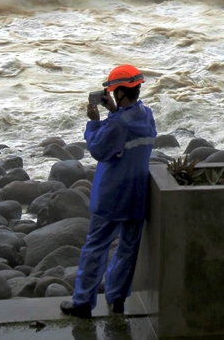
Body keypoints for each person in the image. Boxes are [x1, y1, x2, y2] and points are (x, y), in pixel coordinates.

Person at [60, 64, 157, 319]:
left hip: (112, 195)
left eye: (115, 93)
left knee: (96, 248)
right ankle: (117, 299)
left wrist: (94, 123)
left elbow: (99, 149)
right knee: (127, 250)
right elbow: (128, 126)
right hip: (137, 195)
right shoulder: (146, 115)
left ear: (122, 93)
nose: (113, 96)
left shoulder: (117, 126)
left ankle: (82, 302)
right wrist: (114, 111)